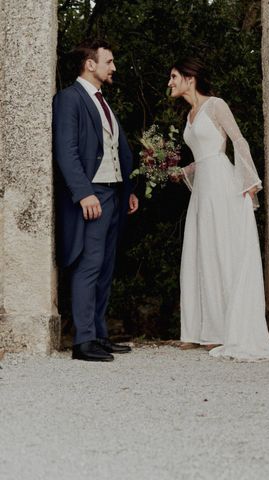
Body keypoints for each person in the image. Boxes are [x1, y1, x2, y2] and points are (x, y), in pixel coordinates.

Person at [168, 58, 269, 361]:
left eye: (174, 76)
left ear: (189, 79)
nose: (170, 83)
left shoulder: (216, 105)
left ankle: (222, 330)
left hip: (221, 183)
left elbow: (237, 141)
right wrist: (182, 172)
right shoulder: (190, 115)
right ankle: (201, 329)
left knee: (221, 249)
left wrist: (248, 182)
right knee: (201, 252)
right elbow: (203, 157)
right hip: (203, 188)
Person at [53, 39, 139, 362]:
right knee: (88, 264)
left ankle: (98, 334)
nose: (113, 67)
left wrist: (126, 188)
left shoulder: (102, 101)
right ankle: (83, 340)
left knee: (105, 266)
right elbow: (67, 151)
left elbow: (116, 149)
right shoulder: (68, 99)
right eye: (109, 62)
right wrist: (84, 192)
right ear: (90, 64)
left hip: (113, 192)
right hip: (92, 193)